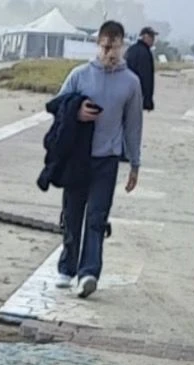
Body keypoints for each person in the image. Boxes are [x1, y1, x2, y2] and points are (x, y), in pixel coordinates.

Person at [52, 20, 143, 299]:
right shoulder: (79, 75)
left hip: (108, 159)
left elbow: (133, 124)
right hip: (78, 157)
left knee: (97, 217)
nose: (109, 53)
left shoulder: (131, 82)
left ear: (122, 46)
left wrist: (135, 164)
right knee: (72, 213)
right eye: (105, 47)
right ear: (97, 45)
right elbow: (56, 106)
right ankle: (68, 266)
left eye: (115, 47)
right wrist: (76, 112)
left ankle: (89, 272)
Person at [125, 26, 157, 112]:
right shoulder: (145, 53)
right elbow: (146, 77)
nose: (153, 40)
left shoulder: (131, 49)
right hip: (138, 94)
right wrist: (147, 100)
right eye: (151, 37)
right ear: (145, 37)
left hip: (126, 92)